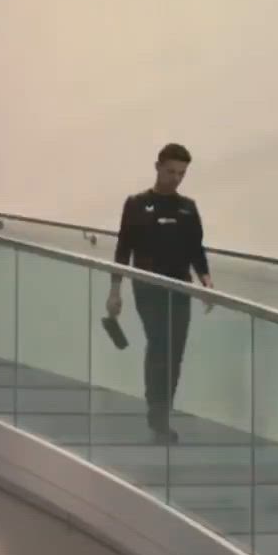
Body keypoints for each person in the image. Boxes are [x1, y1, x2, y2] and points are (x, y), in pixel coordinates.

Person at [107, 142, 213, 443]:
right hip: (147, 287)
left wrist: (206, 282)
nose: (176, 178)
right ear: (158, 167)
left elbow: (196, 249)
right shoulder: (137, 204)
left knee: (175, 352)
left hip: (180, 287)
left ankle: (163, 412)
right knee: (159, 345)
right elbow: (123, 249)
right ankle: (156, 412)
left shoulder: (188, 208)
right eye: (171, 172)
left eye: (181, 174)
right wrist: (115, 291)